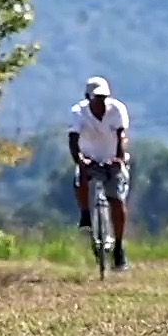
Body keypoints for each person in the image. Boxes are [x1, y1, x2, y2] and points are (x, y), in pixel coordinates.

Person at [69, 76, 131, 271]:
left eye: (103, 98)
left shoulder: (117, 110)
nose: (100, 102)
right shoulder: (78, 113)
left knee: (117, 200)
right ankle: (86, 214)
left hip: (111, 157)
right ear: (88, 98)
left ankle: (119, 247)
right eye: (96, 98)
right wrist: (80, 159)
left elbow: (121, 135)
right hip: (90, 157)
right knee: (81, 178)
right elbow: (73, 138)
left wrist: (119, 158)